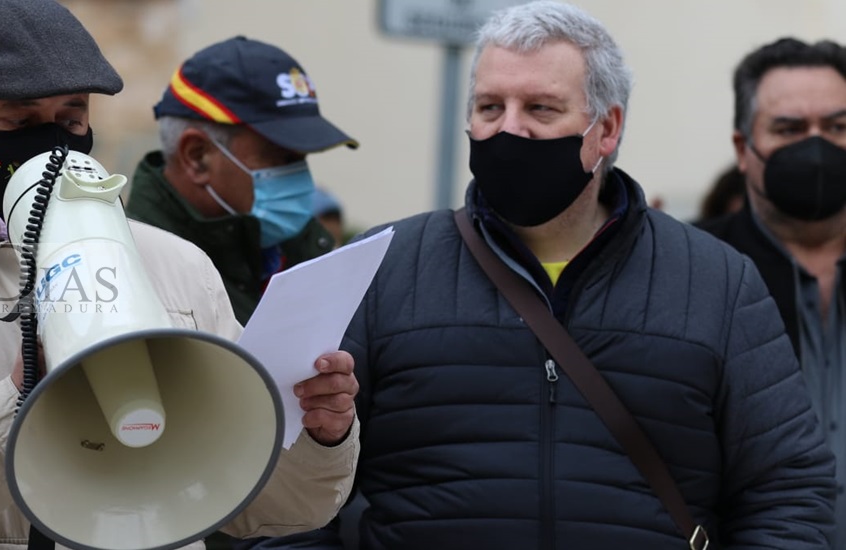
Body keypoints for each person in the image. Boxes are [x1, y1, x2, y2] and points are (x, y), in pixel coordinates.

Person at [247, 2, 835, 549]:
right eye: (489, 107)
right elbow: (284, 489)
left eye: (541, 109)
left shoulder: (716, 282)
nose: (510, 129)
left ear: (606, 130)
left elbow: (786, 489)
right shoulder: (381, 265)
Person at [0, 1, 359, 549]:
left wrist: (321, 437)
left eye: (71, 116)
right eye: (21, 120)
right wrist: (14, 408)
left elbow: (270, 505)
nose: (53, 143)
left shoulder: (178, 267)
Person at [698, 37, 846, 547]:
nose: (817, 146)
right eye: (789, 129)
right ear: (743, 149)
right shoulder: (690, 271)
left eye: (837, 127)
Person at [125, 36, 358, 324]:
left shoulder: (308, 255)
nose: (301, 176)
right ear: (197, 157)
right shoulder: (125, 275)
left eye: (302, 157)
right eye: (280, 156)